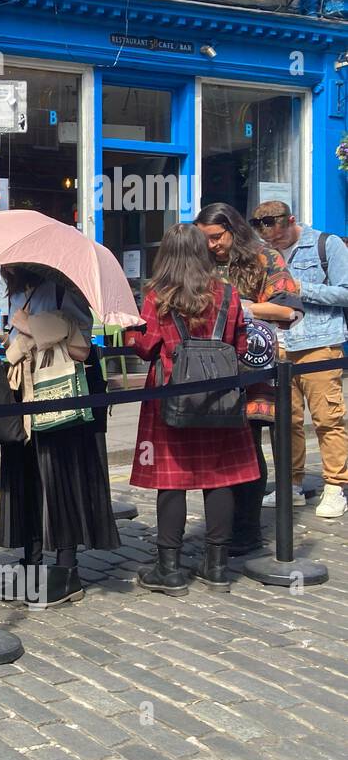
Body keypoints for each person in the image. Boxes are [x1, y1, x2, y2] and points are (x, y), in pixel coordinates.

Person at [128, 224, 256, 594]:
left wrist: (128, 332)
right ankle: (216, 567)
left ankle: (169, 570)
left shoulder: (157, 295)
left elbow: (146, 346)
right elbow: (241, 345)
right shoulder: (228, 294)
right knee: (219, 479)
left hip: (171, 394)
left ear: (166, 253)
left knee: (171, 481)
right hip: (220, 395)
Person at [0, 264, 120, 607]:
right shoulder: (20, 292)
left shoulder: (65, 289)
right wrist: (15, 334)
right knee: (28, 477)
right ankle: (32, 561)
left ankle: (67, 569)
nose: (2, 270)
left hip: (61, 396)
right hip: (25, 394)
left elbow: (82, 345)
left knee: (61, 476)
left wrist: (33, 326)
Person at [194, 203, 303, 555]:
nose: (211, 245)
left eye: (216, 237)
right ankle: (220, 530)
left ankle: (247, 531)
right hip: (208, 368)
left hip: (254, 367)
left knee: (248, 448)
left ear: (233, 230)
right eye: (204, 239)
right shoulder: (200, 263)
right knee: (215, 452)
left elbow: (289, 309)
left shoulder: (264, 258)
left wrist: (240, 306)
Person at [248, 201, 348, 519]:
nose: (271, 240)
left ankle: (336, 486)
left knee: (327, 418)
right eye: (265, 235)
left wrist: (301, 289)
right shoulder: (264, 253)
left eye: (277, 233)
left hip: (319, 343)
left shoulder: (325, 243)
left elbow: (346, 292)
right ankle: (291, 485)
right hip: (279, 345)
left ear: (291, 221)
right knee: (285, 422)